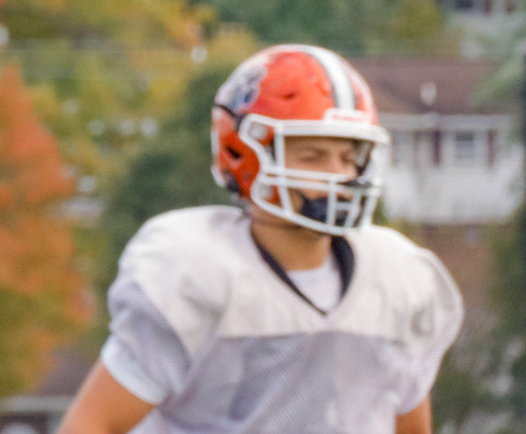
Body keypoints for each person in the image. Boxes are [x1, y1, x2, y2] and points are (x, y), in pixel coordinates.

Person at [59, 44, 464, 434]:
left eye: (347, 157)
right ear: (245, 155)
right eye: (313, 156)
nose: (339, 175)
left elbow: (410, 428)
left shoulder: (395, 279)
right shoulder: (197, 273)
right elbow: (91, 425)